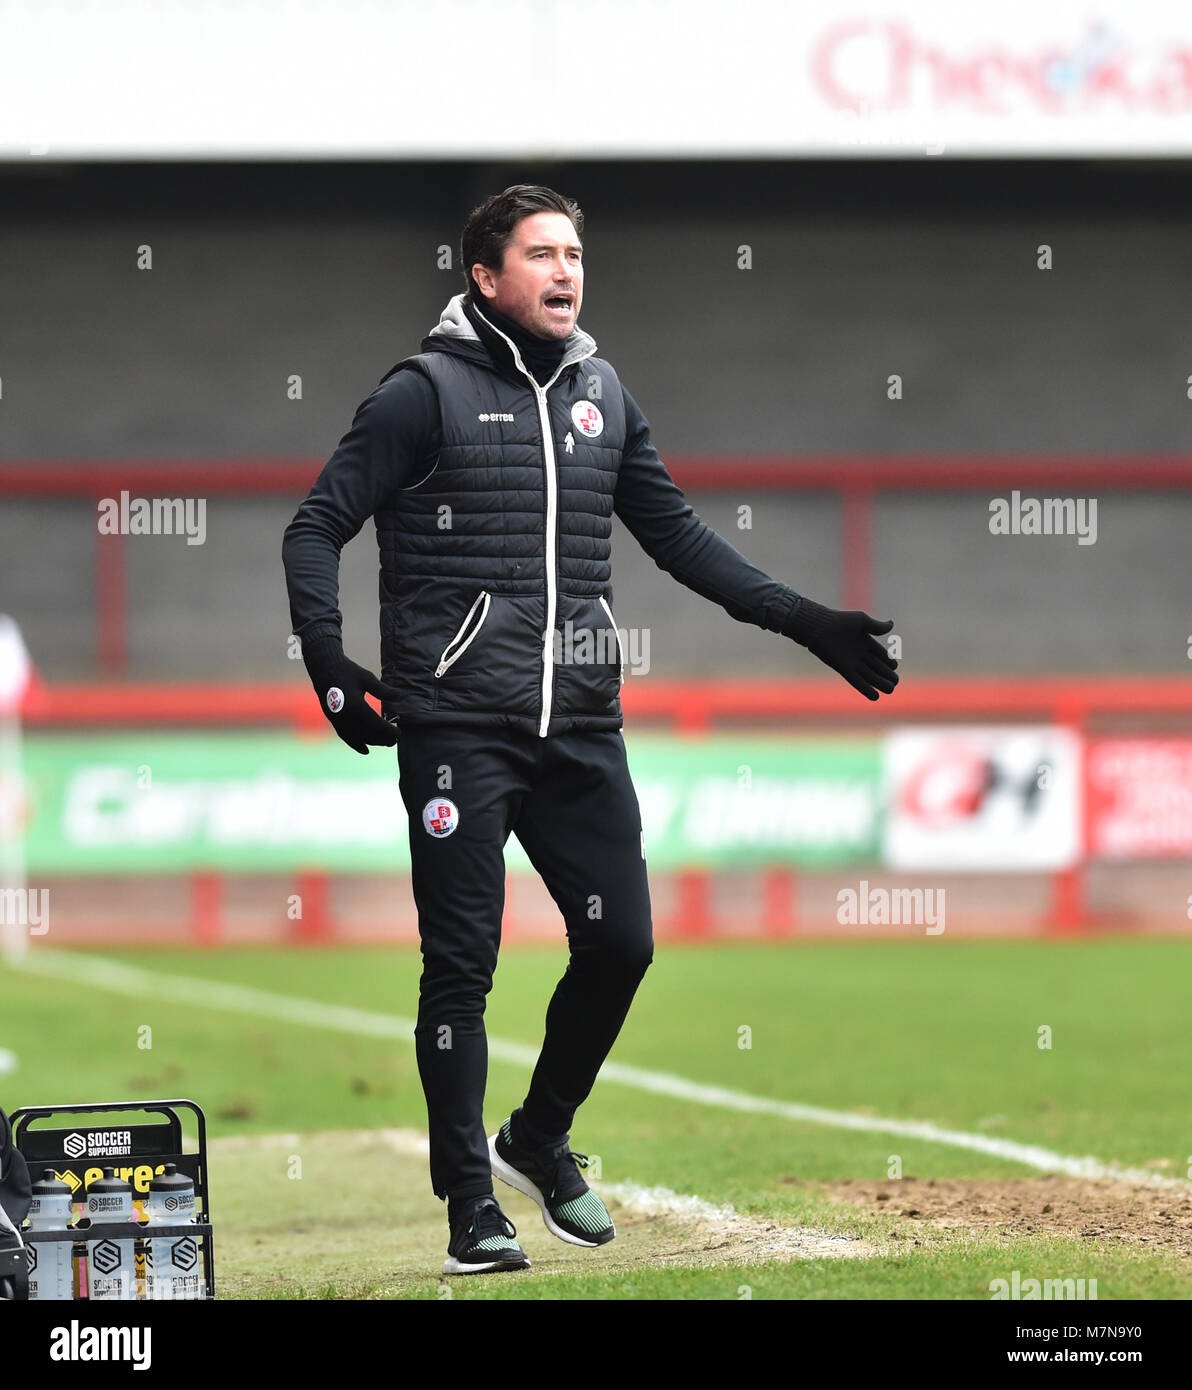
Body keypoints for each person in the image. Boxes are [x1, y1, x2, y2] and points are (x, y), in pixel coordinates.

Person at [281, 184, 898, 1276]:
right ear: (483, 276)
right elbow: (317, 525)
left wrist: (808, 620)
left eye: (575, 253)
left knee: (623, 944)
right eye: (541, 255)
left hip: (581, 727)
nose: (566, 271)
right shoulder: (419, 394)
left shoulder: (603, 393)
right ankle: (472, 1203)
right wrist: (328, 663)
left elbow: (681, 538)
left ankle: (536, 1134)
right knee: (459, 969)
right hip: (458, 729)